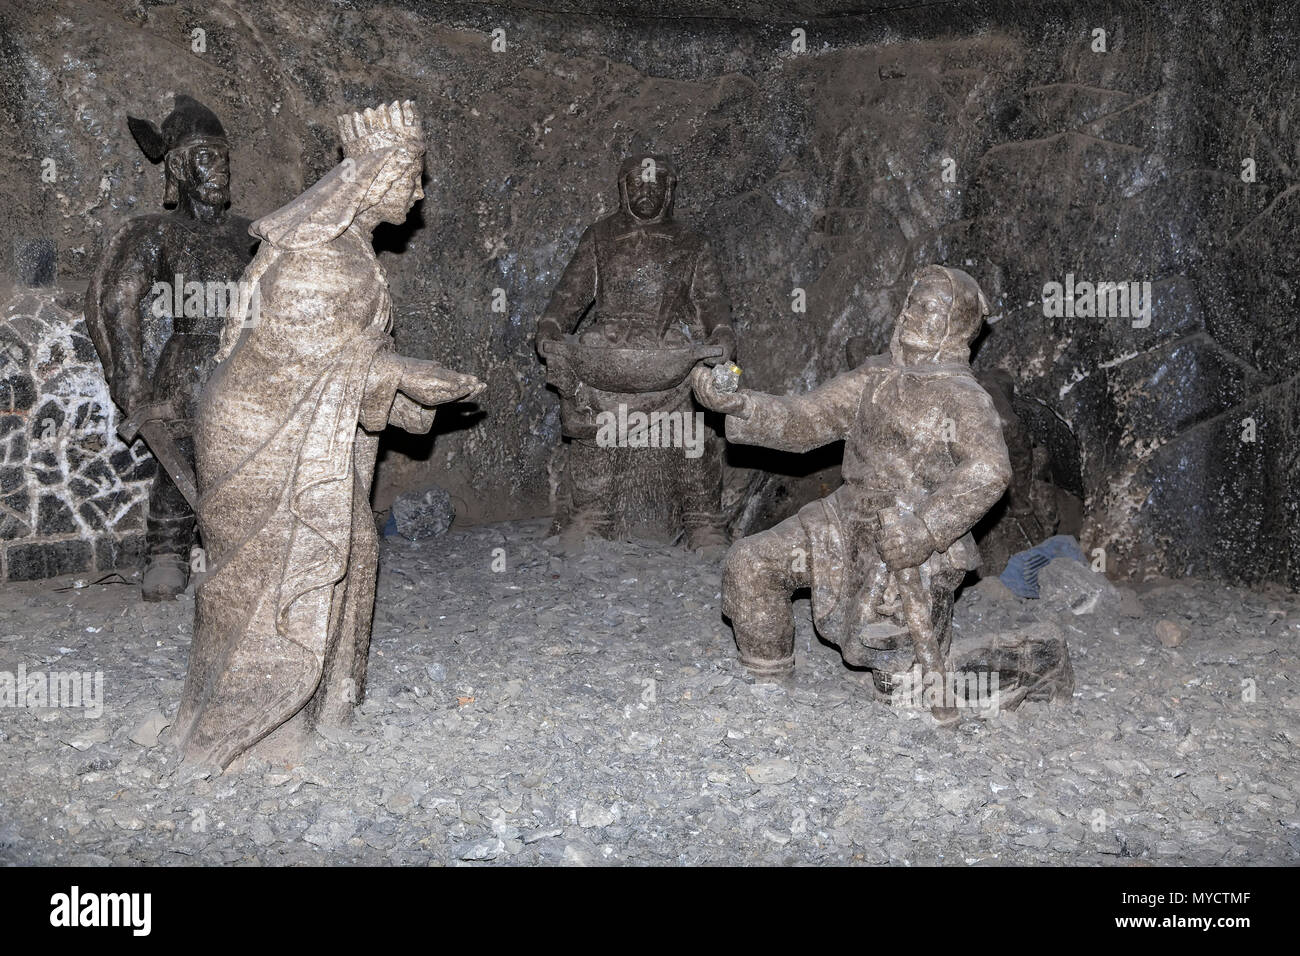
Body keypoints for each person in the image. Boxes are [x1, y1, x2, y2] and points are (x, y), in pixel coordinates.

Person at [173, 100, 485, 769]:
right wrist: (406, 375)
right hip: (263, 435)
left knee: (352, 549)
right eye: (413, 178)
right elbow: (306, 364)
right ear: (374, 178)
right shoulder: (323, 260)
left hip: (292, 423)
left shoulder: (346, 248)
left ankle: (320, 706)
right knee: (272, 575)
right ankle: (249, 727)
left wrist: (404, 376)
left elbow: (337, 364)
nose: (420, 192)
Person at [692, 265, 1012, 721]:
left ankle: (991, 668)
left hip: (908, 548)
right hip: (844, 521)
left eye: (927, 307)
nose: (909, 313)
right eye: (911, 301)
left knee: (897, 680)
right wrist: (740, 404)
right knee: (751, 564)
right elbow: (805, 419)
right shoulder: (875, 377)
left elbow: (989, 470)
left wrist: (925, 530)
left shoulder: (962, 398)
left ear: (954, 324)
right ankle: (765, 686)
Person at [83, 94, 256, 600]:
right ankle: (166, 552)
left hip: (246, 360)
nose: (219, 169)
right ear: (179, 168)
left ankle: (243, 547)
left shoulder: (250, 234)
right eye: (207, 157)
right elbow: (118, 300)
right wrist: (130, 375)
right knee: (182, 449)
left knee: (248, 457)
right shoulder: (154, 232)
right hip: (192, 356)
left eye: (223, 157)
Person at [536, 154, 734, 552]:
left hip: (667, 353)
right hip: (608, 350)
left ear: (669, 190)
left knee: (689, 419)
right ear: (623, 189)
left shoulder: (691, 243)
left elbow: (712, 302)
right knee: (593, 412)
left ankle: (701, 519)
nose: (646, 191)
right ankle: (592, 514)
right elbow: (568, 297)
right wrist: (551, 329)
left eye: (655, 183)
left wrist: (723, 335)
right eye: (638, 183)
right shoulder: (600, 237)